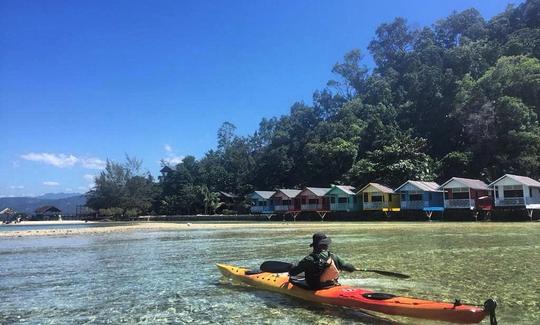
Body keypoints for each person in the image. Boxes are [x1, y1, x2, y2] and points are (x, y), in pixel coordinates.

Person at [289, 233, 357, 290]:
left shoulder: (308, 259)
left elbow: (293, 272)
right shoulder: (333, 256)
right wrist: (353, 268)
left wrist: (293, 266)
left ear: (314, 246)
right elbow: (349, 268)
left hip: (316, 287)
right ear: (326, 245)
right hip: (332, 284)